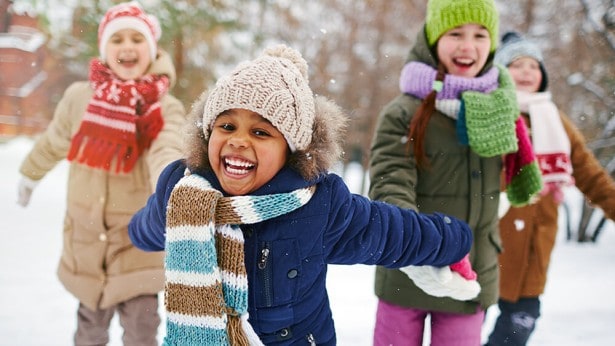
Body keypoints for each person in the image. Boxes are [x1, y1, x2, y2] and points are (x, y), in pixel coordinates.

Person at [128, 44, 475, 346]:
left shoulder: (318, 205)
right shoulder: (185, 192)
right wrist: (135, 231)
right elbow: (152, 224)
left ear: (290, 151)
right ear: (208, 133)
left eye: (261, 131)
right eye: (227, 126)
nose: (238, 140)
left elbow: (391, 232)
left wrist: (453, 239)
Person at [368, 0, 544, 345]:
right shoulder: (403, 112)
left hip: (472, 274)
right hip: (407, 272)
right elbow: (391, 183)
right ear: (434, 40)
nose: (468, 46)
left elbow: (508, 178)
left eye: (480, 35)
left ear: (492, 44)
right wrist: (417, 246)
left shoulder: (501, 109)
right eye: (456, 33)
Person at [16, 2, 186, 345]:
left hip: (138, 242)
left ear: (151, 51)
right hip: (87, 240)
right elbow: (54, 141)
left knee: (141, 331)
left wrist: (171, 190)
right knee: (88, 333)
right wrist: (30, 174)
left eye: (137, 39)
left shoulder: (163, 107)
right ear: (104, 49)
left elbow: (167, 150)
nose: (126, 46)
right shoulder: (79, 98)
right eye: (117, 39)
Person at [484, 31, 615, 346]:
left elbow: (590, 175)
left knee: (516, 331)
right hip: (488, 246)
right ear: (500, 72)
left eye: (534, 65)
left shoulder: (556, 121)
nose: (528, 71)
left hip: (533, 250)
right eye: (517, 65)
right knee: (461, 329)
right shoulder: (486, 115)